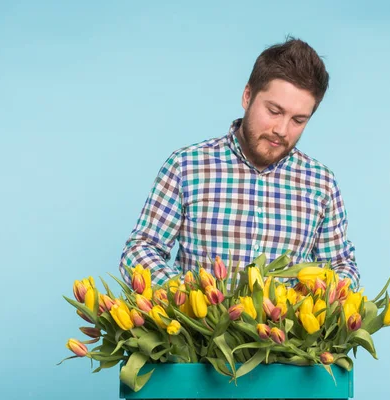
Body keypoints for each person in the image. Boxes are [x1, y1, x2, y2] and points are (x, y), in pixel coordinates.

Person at [119, 37, 359, 288]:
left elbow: (342, 266)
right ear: (247, 96)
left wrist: (323, 290)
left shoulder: (321, 184)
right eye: (274, 111)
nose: (281, 129)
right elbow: (140, 250)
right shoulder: (187, 167)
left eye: (298, 120)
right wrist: (187, 298)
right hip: (197, 326)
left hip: (284, 328)